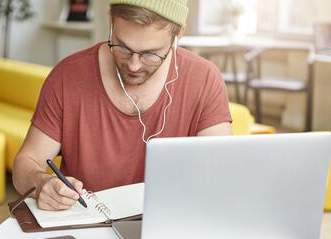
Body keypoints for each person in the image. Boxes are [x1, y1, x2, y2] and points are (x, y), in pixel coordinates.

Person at [12, 0, 232, 211]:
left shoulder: (204, 79)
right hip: (86, 228)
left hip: (171, 226)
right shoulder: (67, 77)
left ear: (179, 35)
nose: (134, 65)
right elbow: (26, 163)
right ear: (111, 21)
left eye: (150, 54)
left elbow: (220, 173)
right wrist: (41, 183)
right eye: (123, 47)